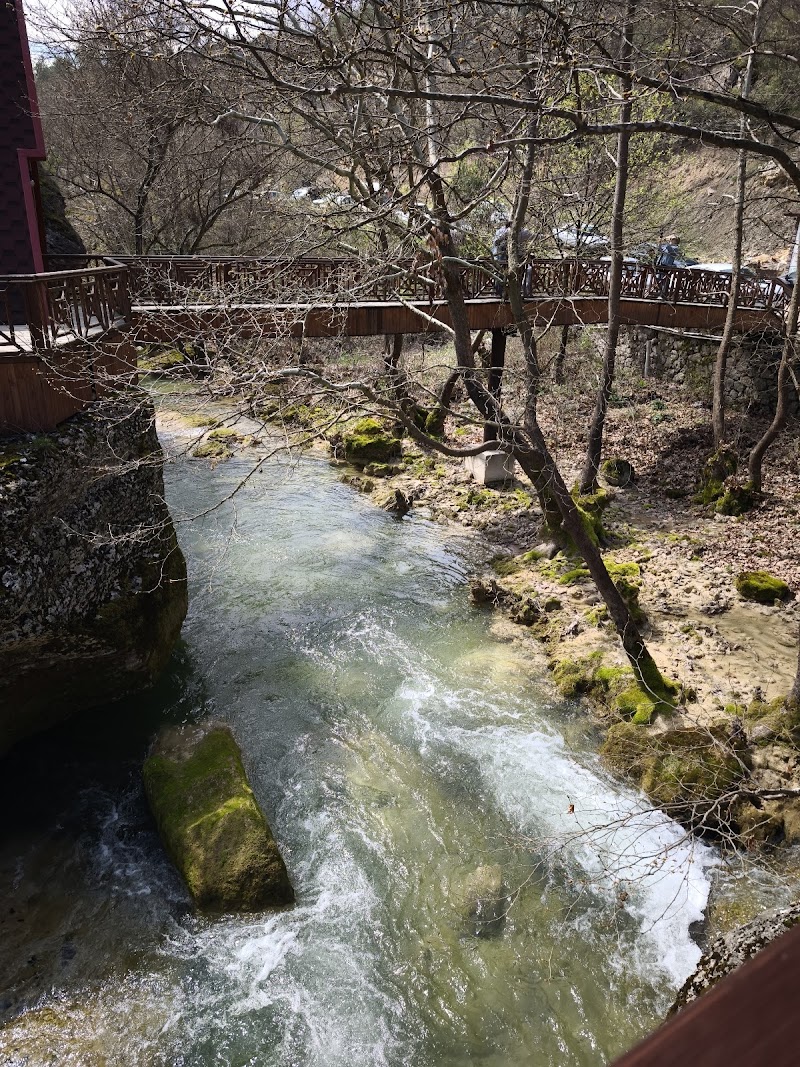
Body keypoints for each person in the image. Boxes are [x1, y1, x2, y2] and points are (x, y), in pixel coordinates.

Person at [491, 219, 532, 297]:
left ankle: (502, 292)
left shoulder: (504, 231)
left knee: (503, 274)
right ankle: (512, 292)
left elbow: (496, 241)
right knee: (516, 275)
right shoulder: (516, 231)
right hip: (512, 257)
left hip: (505, 256)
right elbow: (532, 236)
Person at [656, 233, 681, 298]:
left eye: (672, 239)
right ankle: (661, 293)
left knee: (665, 280)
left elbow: (671, 251)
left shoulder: (676, 248)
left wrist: (666, 242)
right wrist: (660, 241)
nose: (670, 240)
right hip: (662, 264)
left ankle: (664, 294)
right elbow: (660, 249)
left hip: (667, 265)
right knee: (660, 279)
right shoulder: (668, 246)